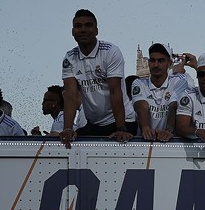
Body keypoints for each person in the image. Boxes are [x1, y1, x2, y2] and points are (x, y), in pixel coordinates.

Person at [60, 9, 134, 147]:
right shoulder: (69, 57)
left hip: (122, 121)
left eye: (88, 25)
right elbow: (70, 95)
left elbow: (115, 92)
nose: (83, 30)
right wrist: (68, 129)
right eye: (78, 26)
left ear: (96, 30)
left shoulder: (110, 51)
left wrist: (121, 129)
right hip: (94, 123)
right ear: (72, 31)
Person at [131, 43, 188, 141]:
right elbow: (141, 107)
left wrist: (168, 130)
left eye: (161, 61)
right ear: (148, 62)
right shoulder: (138, 83)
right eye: (152, 60)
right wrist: (145, 128)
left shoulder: (179, 80)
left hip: (170, 142)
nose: (156, 65)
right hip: (145, 141)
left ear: (170, 63)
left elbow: (173, 105)